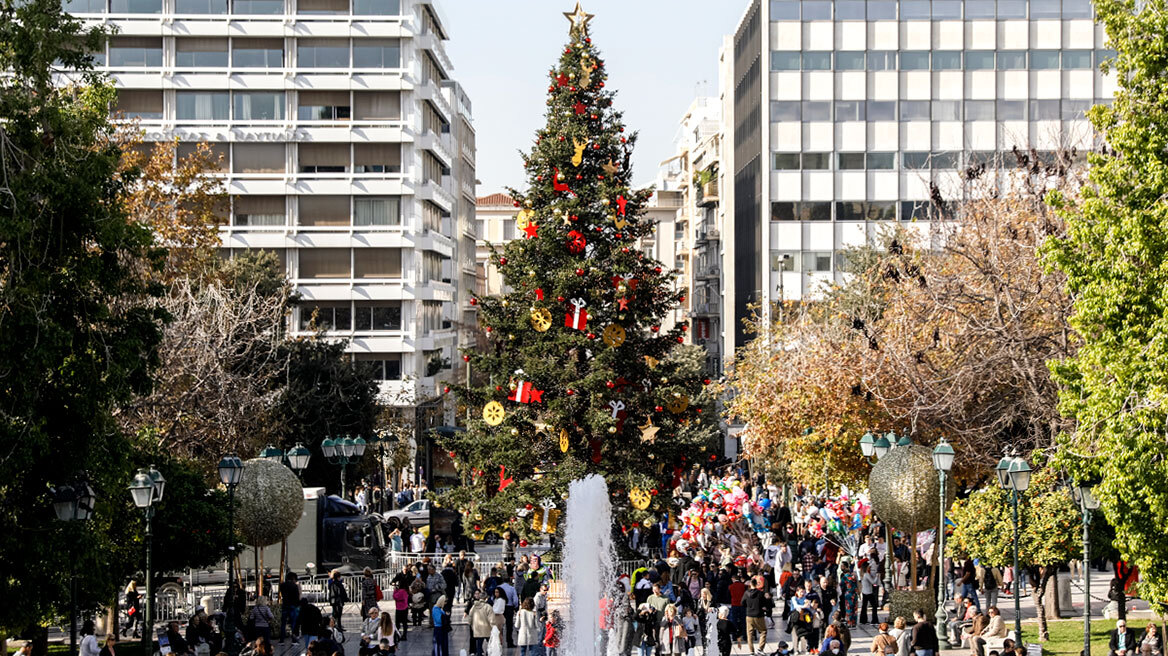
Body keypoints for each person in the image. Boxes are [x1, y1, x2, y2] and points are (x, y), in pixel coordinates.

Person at [744, 577, 769, 655]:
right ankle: (760, 648)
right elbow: (765, 603)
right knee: (763, 631)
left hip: (749, 615)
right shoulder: (760, 593)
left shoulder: (746, 593)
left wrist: (748, 606)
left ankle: (751, 651)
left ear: (750, 584)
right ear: (757, 584)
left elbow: (742, 603)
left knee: (749, 633)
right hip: (759, 615)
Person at [469, 592, 495, 656]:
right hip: (487, 629)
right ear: (486, 598)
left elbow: (470, 617)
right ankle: (488, 654)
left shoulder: (474, 607)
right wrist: (494, 627)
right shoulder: (488, 607)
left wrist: (471, 625)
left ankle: (479, 654)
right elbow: (491, 619)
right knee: (490, 643)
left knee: (479, 644)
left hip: (477, 629)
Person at [280, 571, 301, 641]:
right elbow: (297, 596)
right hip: (292, 605)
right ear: (293, 578)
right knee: (293, 624)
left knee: (283, 623)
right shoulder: (294, 586)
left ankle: (282, 639)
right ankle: (294, 640)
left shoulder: (282, 585)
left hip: (285, 605)